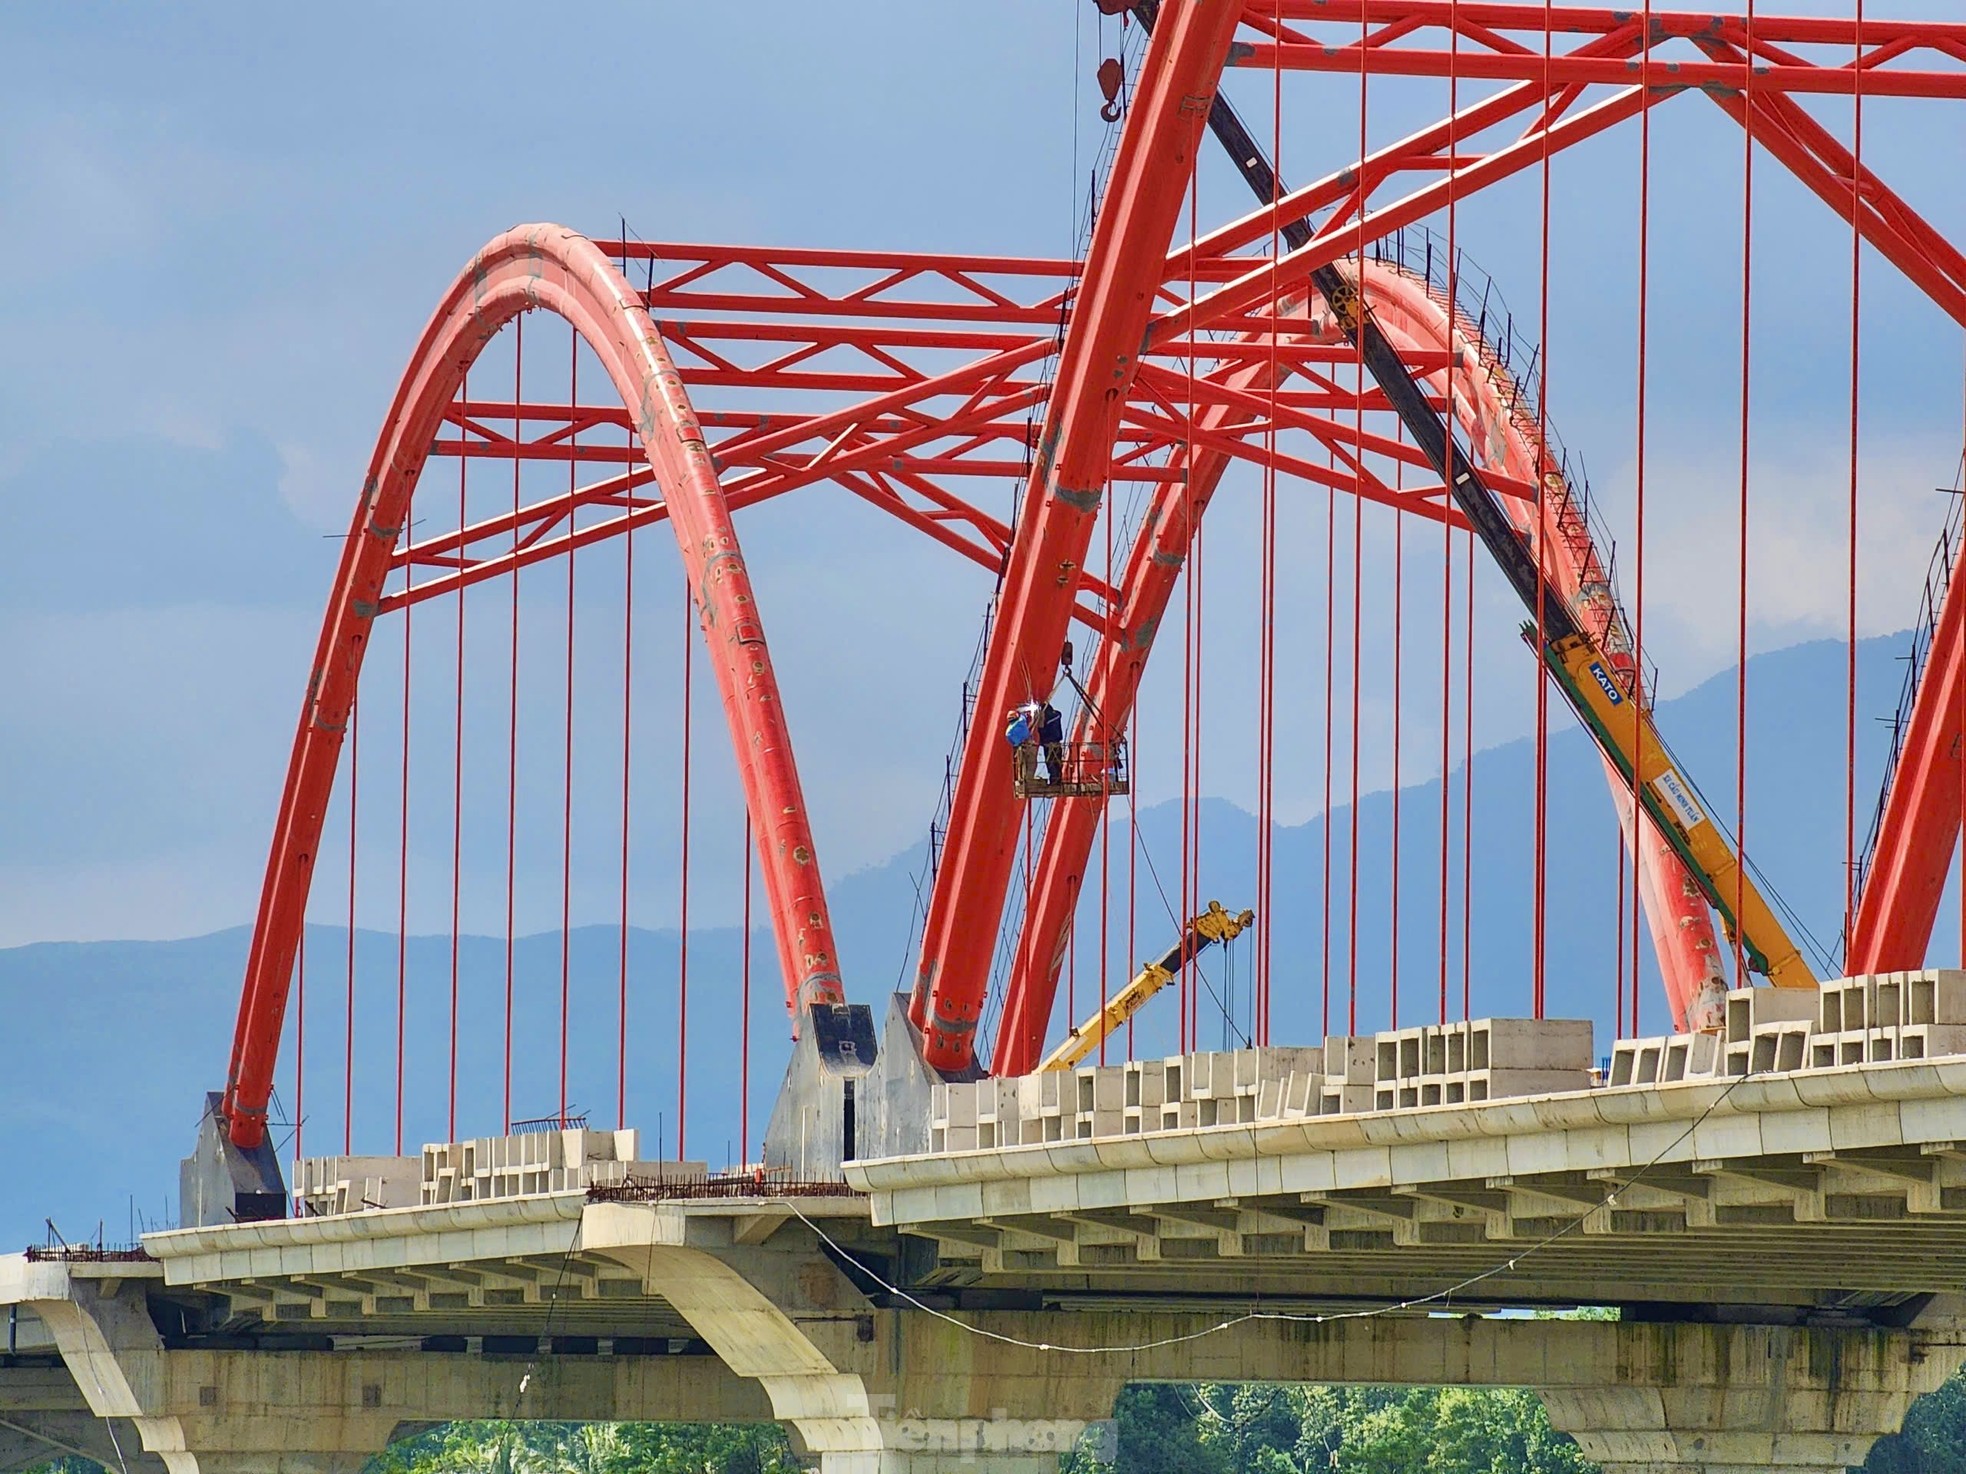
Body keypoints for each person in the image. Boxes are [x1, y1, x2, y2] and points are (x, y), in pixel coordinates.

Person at [1005, 704, 1039, 789]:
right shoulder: (1020, 722)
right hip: (1028, 746)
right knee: (1031, 764)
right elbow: (1024, 718)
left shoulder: (1008, 731)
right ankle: (1029, 780)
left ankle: (1022, 780)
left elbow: (1011, 741)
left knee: (1021, 765)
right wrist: (1026, 712)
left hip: (1019, 748)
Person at [1038, 701, 1066, 785]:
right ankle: (1058, 780)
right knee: (1057, 763)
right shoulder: (1057, 715)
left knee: (1050, 763)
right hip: (1057, 744)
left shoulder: (1046, 719)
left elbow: (1042, 730)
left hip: (1049, 744)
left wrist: (1040, 720)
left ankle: (1054, 780)